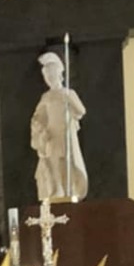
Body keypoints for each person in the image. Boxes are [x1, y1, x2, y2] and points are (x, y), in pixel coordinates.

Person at [30, 50, 88, 204]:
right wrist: (39, 126)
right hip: (51, 133)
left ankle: (69, 188)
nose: (50, 79)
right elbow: (39, 115)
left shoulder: (68, 93)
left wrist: (69, 99)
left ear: (59, 75)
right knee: (52, 160)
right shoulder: (46, 97)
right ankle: (57, 188)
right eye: (47, 77)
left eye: (52, 75)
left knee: (67, 160)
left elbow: (81, 111)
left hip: (66, 133)